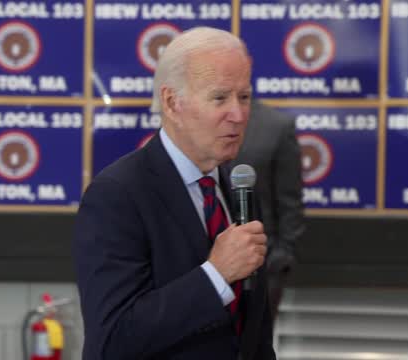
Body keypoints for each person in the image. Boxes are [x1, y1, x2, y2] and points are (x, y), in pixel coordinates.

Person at [73, 27, 275, 360]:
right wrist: (216, 275)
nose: (238, 115)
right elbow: (112, 340)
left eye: (244, 96)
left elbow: (253, 330)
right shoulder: (117, 195)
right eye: (220, 98)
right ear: (171, 102)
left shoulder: (239, 185)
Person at [231, 100, 305, 322]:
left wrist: (283, 255)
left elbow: (289, 199)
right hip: (206, 259)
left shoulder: (276, 126)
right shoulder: (196, 121)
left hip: (264, 262)